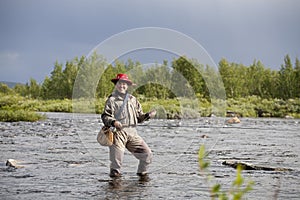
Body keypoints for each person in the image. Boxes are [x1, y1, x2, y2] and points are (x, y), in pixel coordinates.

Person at [101, 73, 156, 178]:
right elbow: (105, 116)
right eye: (119, 83)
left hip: (132, 133)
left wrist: (148, 115)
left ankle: (141, 177)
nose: (122, 86)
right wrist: (114, 122)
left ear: (128, 86)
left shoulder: (133, 99)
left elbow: (139, 118)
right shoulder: (111, 100)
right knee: (116, 167)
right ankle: (114, 191)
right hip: (118, 134)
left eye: (124, 84)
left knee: (147, 155)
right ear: (116, 85)